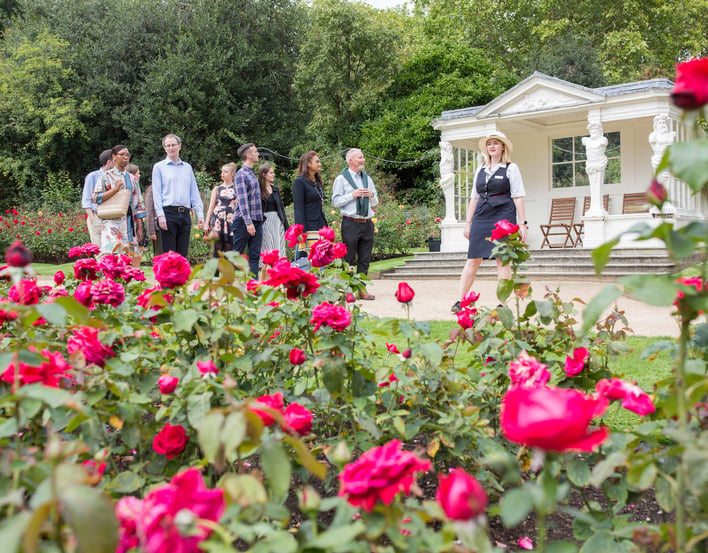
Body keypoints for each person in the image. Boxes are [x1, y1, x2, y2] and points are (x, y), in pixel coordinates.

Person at [451, 131, 527, 313]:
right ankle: (461, 301)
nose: (492, 146)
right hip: (482, 216)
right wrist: (468, 222)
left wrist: (523, 224)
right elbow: (474, 197)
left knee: (502, 259)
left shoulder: (511, 168)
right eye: (489, 143)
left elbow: (517, 196)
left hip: (503, 215)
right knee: (472, 260)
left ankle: (503, 303)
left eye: (496, 143)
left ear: (503, 147)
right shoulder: (480, 170)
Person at [332, 148, 378, 300]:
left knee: (365, 259)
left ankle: (362, 289)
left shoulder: (367, 179)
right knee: (349, 258)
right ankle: (347, 290)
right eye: (360, 157)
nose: (363, 160)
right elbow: (335, 201)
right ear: (351, 160)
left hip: (367, 223)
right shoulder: (341, 179)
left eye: (363, 157)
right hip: (350, 223)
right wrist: (353, 195)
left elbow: (375, 201)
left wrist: (371, 195)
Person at [151, 134, 204, 258]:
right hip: (168, 213)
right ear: (164, 148)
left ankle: (182, 278)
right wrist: (160, 215)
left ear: (179, 146)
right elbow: (157, 193)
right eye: (168, 145)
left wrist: (200, 213)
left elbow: (194, 192)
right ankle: (169, 277)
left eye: (173, 145)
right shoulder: (159, 167)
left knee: (182, 254)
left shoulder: (187, 167)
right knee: (170, 254)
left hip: (185, 214)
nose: (171, 148)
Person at [92, 145, 146, 258]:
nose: (125, 157)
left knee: (128, 257)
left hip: (129, 224)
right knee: (112, 257)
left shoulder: (132, 179)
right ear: (114, 156)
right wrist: (115, 190)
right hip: (111, 222)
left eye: (127, 155)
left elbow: (138, 204)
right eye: (122, 155)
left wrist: (140, 227)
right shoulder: (106, 176)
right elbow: (95, 197)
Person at [231, 143, 263, 276]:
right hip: (244, 221)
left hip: (256, 219)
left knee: (254, 256)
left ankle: (253, 288)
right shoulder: (241, 175)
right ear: (249, 155)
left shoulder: (251, 174)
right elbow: (243, 201)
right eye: (255, 152)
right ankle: (229, 287)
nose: (258, 154)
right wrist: (248, 223)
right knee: (236, 256)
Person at [203, 163, 237, 257]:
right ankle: (215, 271)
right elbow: (211, 206)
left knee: (229, 247)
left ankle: (227, 271)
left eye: (226, 172)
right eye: (222, 172)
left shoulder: (237, 188)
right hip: (218, 221)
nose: (223, 174)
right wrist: (207, 223)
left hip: (231, 220)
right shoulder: (217, 189)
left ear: (232, 174)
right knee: (217, 248)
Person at [82, 149, 113, 246]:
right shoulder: (93, 176)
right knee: (99, 248)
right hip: (97, 216)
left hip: (112, 217)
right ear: (109, 162)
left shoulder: (115, 177)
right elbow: (86, 199)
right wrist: (92, 217)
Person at [259, 163, 289, 259]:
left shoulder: (275, 189)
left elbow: (281, 207)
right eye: (271, 173)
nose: (273, 175)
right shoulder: (258, 189)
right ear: (264, 174)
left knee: (279, 245)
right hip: (265, 221)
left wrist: (286, 226)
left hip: (277, 220)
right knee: (267, 245)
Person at [293, 150, 327, 234]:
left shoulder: (317, 181)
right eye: (317, 162)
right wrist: (301, 231)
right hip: (309, 225)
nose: (320, 164)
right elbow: (298, 208)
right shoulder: (300, 182)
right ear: (308, 164)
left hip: (321, 223)